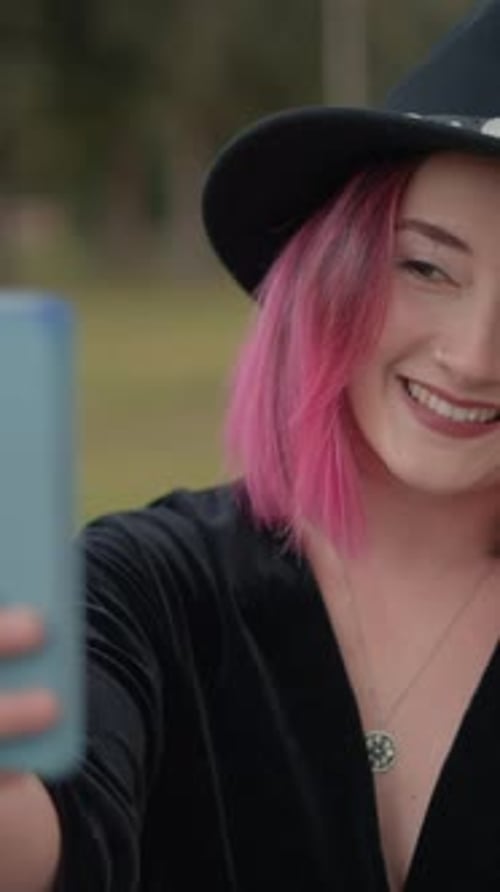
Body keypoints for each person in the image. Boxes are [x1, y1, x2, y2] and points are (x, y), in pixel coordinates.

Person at [0, 2, 500, 891]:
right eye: (426, 266)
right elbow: (53, 839)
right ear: (335, 267)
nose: (474, 354)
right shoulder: (148, 587)